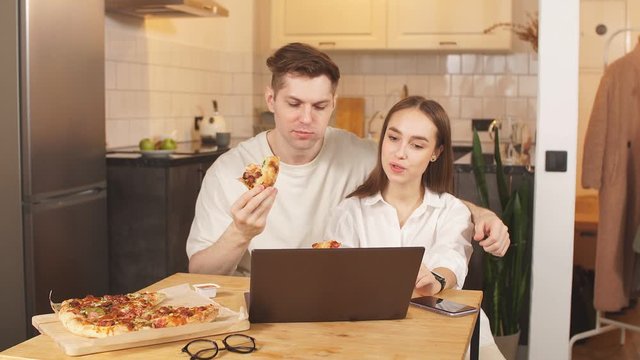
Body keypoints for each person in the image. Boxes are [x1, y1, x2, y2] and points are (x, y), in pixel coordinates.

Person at [186, 42, 509, 276]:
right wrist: (241, 232)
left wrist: (481, 214)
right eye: (294, 103)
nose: (306, 118)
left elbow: (421, 191)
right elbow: (199, 273)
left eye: (320, 106)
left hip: (335, 300)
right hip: (255, 301)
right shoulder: (230, 171)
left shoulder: (361, 154)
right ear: (271, 100)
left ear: (334, 103)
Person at [323, 95, 503, 359]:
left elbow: (452, 260)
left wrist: (435, 281)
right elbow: (338, 277)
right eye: (393, 138)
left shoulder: (452, 211)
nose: (400, 153)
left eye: (417, 145)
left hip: (451, 334)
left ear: (436, 152)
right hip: (372, 337)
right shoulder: (349, 212)